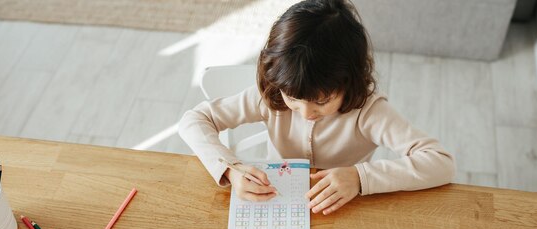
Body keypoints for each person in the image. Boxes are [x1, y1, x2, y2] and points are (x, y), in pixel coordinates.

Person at [178, 0, 455, 215]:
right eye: (293, 99)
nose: (306, 113)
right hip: (279, 200)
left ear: (350, 82)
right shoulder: (271, 96)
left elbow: (441, 163)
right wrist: (231, 168)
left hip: (345, 206)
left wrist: (360, 177)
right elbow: (194, 120)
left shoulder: (369, 112)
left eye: (321, 102)